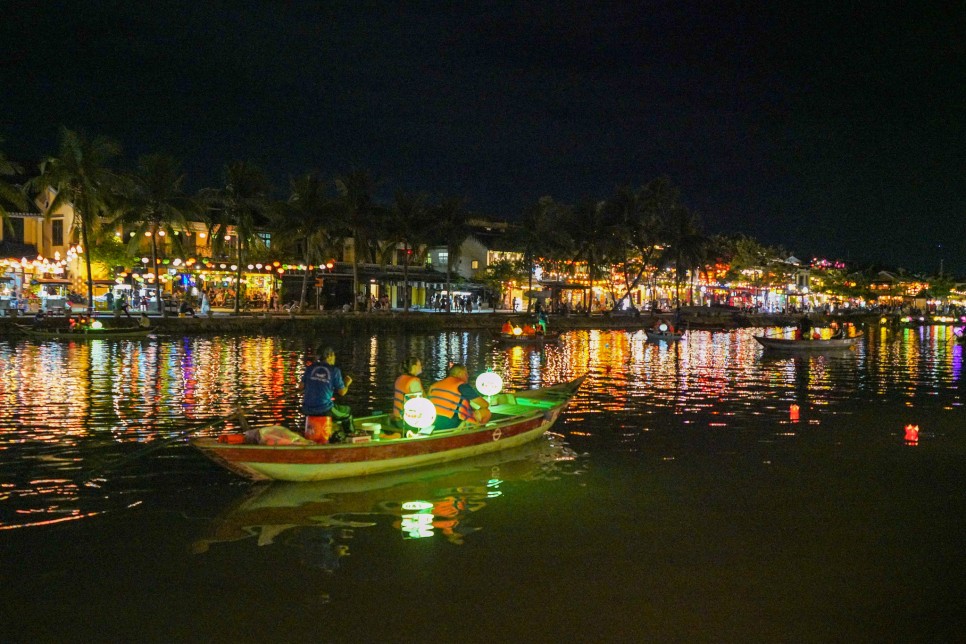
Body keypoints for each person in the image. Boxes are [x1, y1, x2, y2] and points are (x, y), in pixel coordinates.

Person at [300, 346, 353, 442]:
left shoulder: (310, 368)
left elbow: (301, 387)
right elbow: (342, 392)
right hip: (324, 409)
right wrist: (347, 383)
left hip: (307, 409)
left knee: (336, 411)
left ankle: (328, 431)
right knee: (347, 412)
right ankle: (350, 437)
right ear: (329, 356)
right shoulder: (334, 370)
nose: (334, 359)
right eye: (334, 356)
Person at [427, 364, 491, 431]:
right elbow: (485, 404)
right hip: (452, 423)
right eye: (466, 374)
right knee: (486, 412)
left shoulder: (435, 385)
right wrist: (476, 413)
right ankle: (478, 432)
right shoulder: (462, 386)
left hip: (433, 422)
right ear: (460, 373)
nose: (468, 376)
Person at [390, 357, 424, 434]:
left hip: (397, 418)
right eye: (420, 365)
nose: (421, 367)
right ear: (414, 367)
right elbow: (422, 403)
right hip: (407, 421)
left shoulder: (399, 379)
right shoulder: (414, 382)